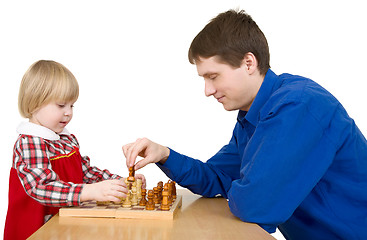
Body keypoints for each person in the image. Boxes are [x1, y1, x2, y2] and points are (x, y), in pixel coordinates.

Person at [123, 9, 367, 240]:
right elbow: (216, 178)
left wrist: (243, 187)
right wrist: (165, 155)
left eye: (213, 76)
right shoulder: (251, 118)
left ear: (249, 63)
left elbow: (257, 205)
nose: (208, 90)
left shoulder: (297, 106)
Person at [4, 60, 146, 240]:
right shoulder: (29, 142)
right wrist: (88, 192)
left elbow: (85, 172)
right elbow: (41, 187)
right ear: (34, 103)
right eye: (61, 105)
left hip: (64, 225)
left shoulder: (65, 139)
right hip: (35, 230)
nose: (68, 112)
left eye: (72, 105)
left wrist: (120, 183)